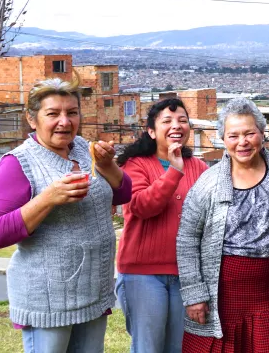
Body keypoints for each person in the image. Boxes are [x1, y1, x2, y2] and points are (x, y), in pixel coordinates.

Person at [0, 77, 132, 352]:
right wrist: (48, 198)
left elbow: (123, 195)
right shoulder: (18, 163)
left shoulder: (84, 149)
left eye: (71, 112)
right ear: (32, 119)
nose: (64, 121)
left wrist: (107, 165)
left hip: (93, 293)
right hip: (48, 301)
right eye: (53, 114)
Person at [177, 98, 269, 352]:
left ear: (262, 134)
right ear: (223, 139)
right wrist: (195, 294)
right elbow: (187, 239)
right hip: (223, 294)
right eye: (234, 135)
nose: (243, 142)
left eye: (250, 133)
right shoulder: (207, 184)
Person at [116, 98, 208, 353]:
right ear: (151, 131)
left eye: (182, 120)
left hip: (185, 275)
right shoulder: (135, 165)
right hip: (142, 274)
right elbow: (142, 206)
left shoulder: (199, 167)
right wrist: (174, 171)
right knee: (149, 348)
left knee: (180, 348)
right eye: (167, 121)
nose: (176, 126)